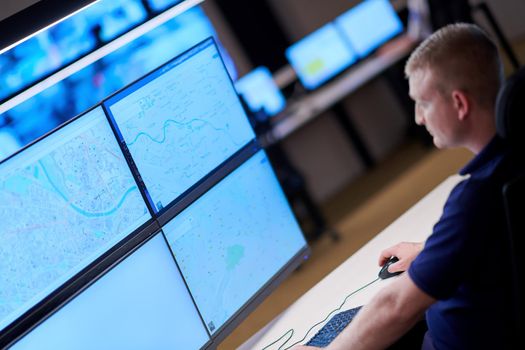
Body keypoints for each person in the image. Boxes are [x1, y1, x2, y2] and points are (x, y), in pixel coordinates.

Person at [294, 23, 522, 349]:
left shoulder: (475, 199)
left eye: (424, 103)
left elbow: (396, 308)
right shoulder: (512, 163)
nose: (418, 118)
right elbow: (492, 242)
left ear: (459, 104)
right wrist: (430, 253)